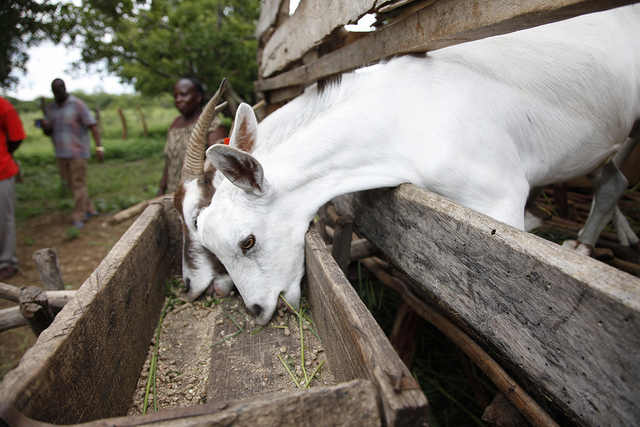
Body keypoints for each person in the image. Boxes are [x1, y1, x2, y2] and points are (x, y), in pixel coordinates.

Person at [41, 78, 104, 229]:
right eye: (54, 91)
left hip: (78, 152)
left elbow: (92, 125)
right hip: (61, 152)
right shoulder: (52, 108)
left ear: (64, 88)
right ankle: (90, 209)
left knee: (77, 183)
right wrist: (45, 127)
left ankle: (78, 216)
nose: (57, 93)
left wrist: (99, 147)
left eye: (59, 90)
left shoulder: (78, 105)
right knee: (73, 184)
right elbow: (49, 131)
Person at [158, 78, 227, 196]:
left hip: (199, 196)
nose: (179, 100)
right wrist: (161, 189)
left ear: (198, 97)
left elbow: (218, 166)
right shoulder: (175, 124)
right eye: (176, 96)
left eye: (184, 95)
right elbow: (170, 161)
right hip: (174, 194)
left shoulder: (211, 124)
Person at [0, 96, 26, 280]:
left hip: (1, 170)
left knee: (3, 217)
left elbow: (16, 136)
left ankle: (7, 261)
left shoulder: (3, 106)